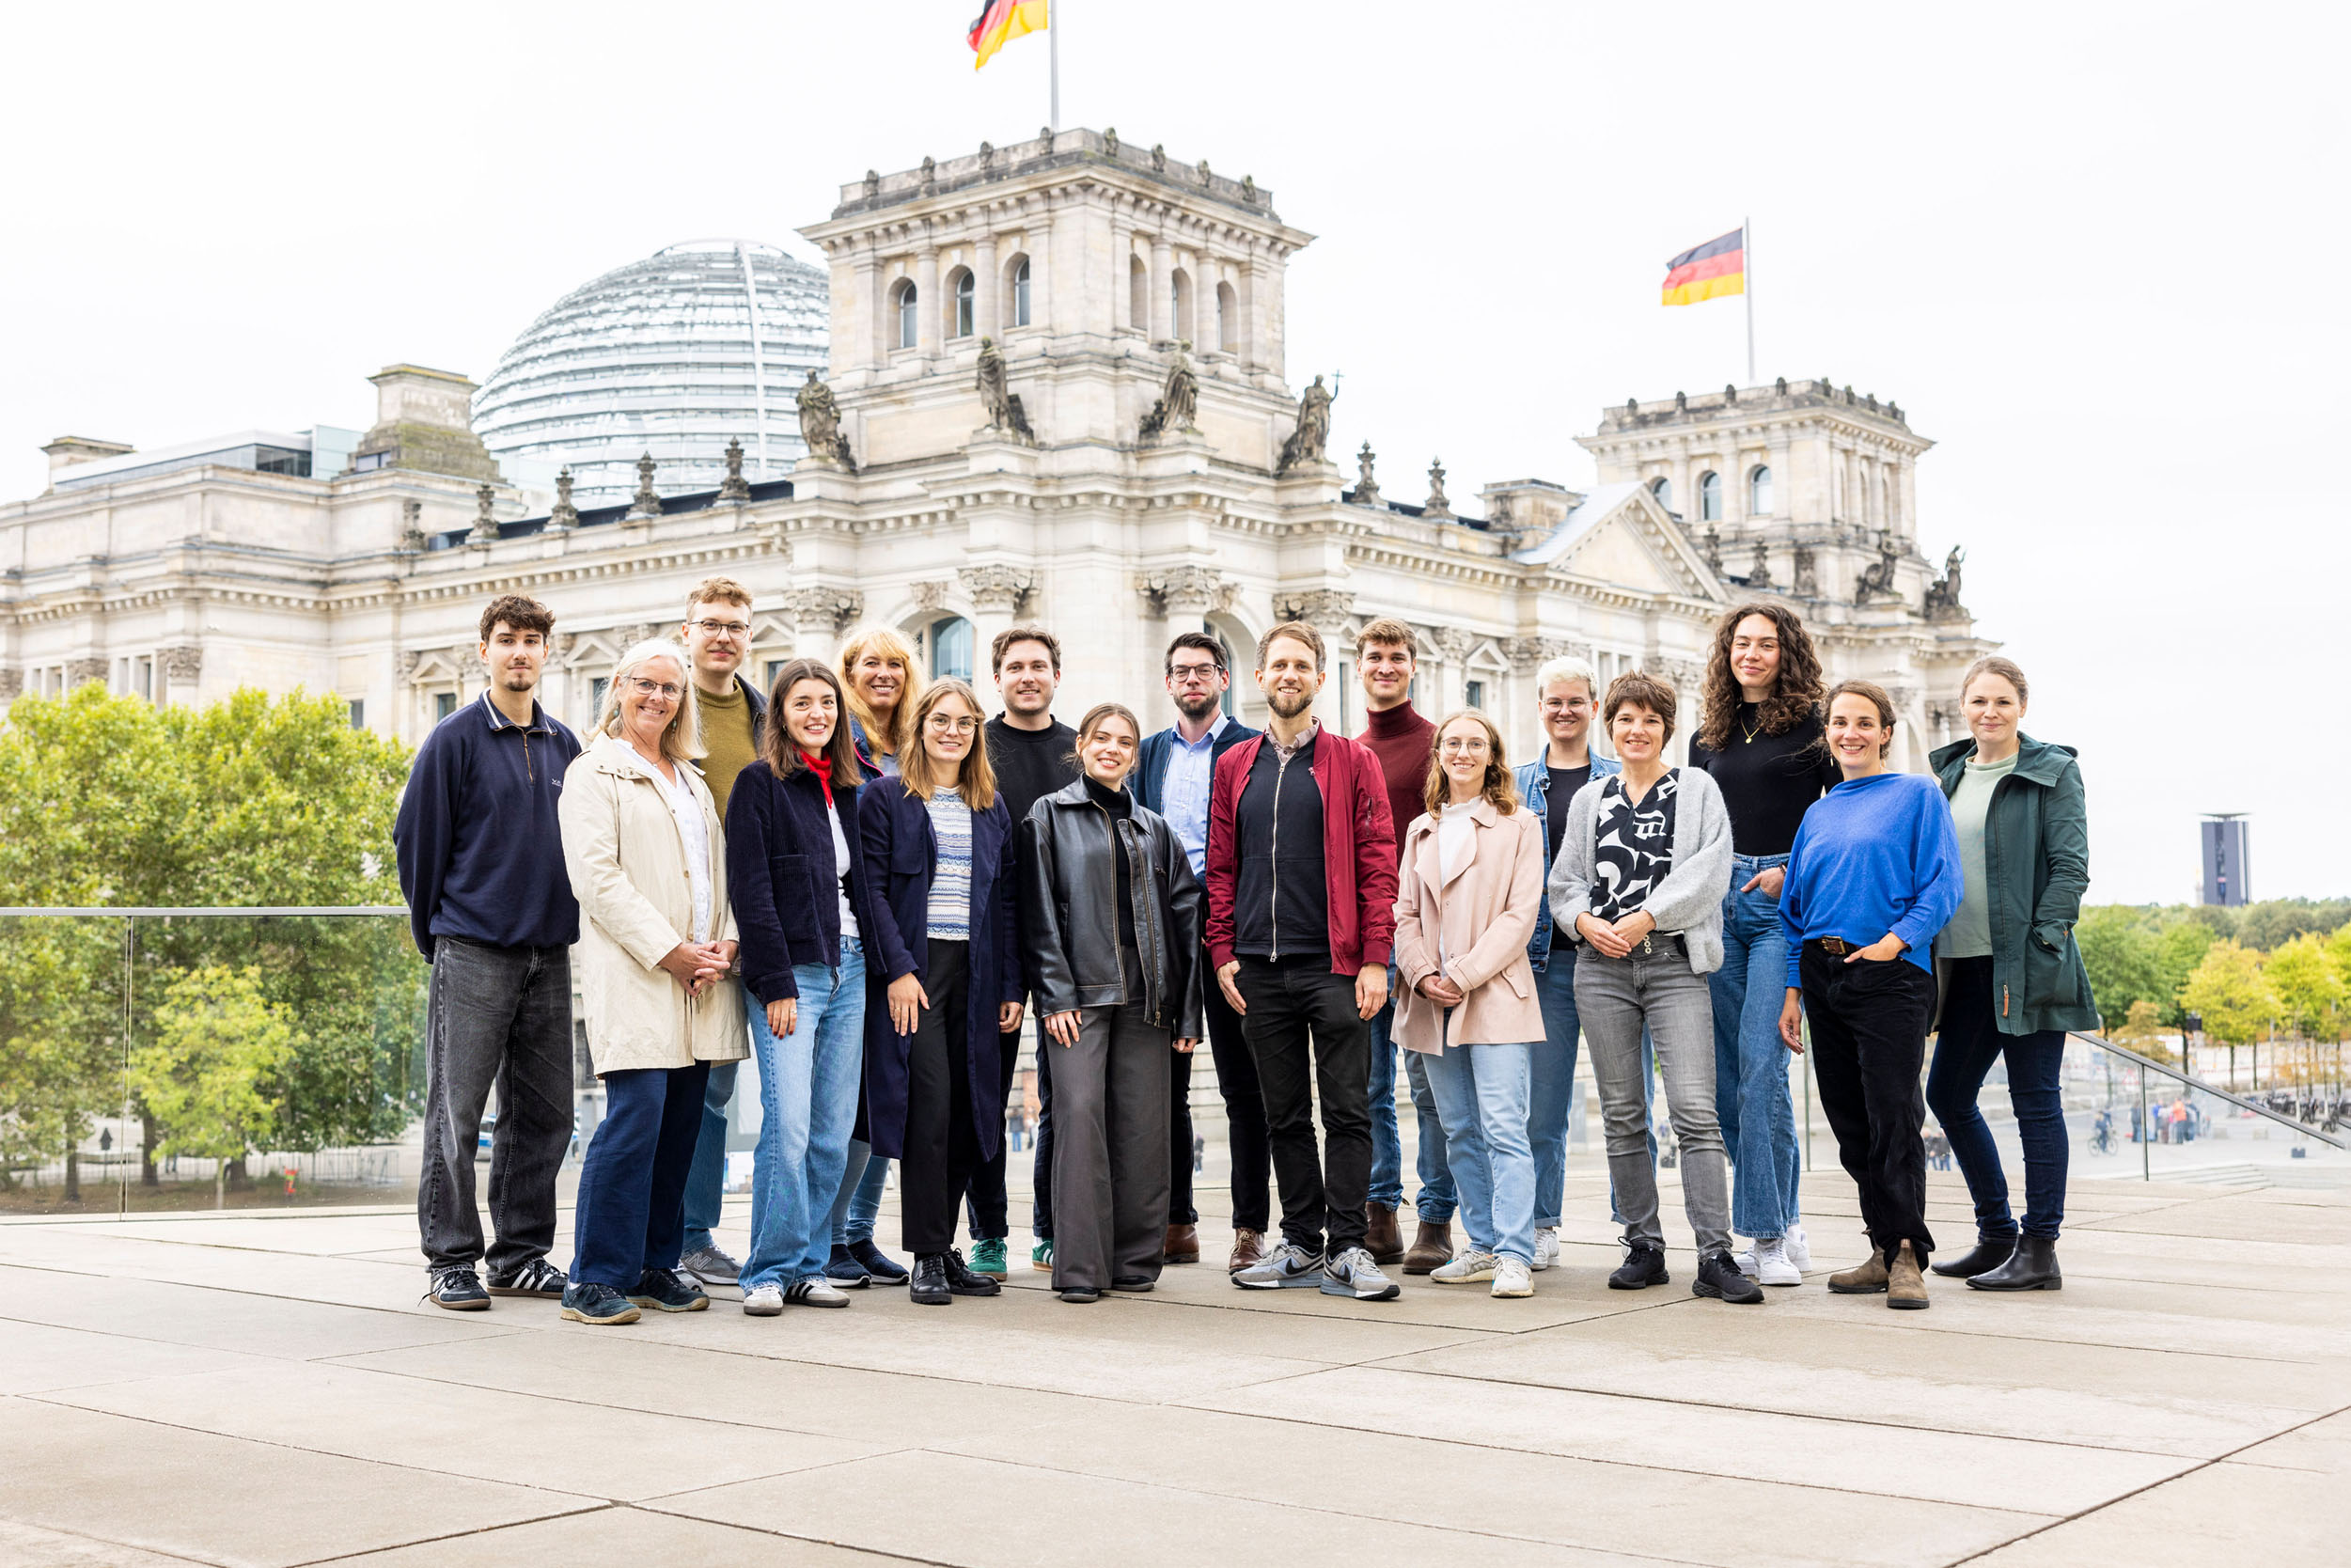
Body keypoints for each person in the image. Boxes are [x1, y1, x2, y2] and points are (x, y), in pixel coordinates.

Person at [395, 595, 583, 1310]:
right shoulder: (455, 738)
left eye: (532, 641)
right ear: (485, 650)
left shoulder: (566, 745)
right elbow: (417, 843)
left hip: (548, 953)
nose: (520, 653)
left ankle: (521, 1255)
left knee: (545, 1115)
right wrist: (436, 934)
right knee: (456, 1114)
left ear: (545, 653)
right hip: (472, 948)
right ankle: (450, 1261)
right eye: (507, 640)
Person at [1550, 671, 1760, 1305]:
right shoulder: (1591, 798)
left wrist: (1645, 916)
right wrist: (1584, 920)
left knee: (1694, 1112)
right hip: (1601, 969)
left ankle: (1714, 1254)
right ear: (1606, 727)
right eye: (1623, 720)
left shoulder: (1695, 789)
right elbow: (1563, 881)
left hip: (1673, 964)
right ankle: (1642, 1243)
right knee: (1621, 1115)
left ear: (1665, 727)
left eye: (1647, 719)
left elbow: (1708, 870)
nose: (1635, 730)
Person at [1208, 620, 1403, 1301]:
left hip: (1336, 965)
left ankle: (1349, 1247)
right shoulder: (1233, 766)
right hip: (1259, 969)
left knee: (1348, 1110)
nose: (1288, 675)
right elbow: (1221, 866)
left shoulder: (1353, 760)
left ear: (1320, 679)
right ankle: (1299, 1242)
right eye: (1277, 665)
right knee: (1282, 1114)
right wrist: (1222, 951)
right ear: (1259, 678)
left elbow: (1380, 865)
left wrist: (1376, 958)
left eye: (1301, 665)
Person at [556, 638, 747, 1325]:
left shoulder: (690, 778)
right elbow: (596, 879)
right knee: (635, 1122)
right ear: (619, 686)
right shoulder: (593, 772)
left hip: (702, 980)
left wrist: (724, 942)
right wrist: (670, 952)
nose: (657, 698)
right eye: (646, 684)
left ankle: (652, 1265)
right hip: (641, 975)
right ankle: (592, 1276)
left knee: (682, 1129)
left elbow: (720, 873)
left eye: (670, 689)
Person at [1777, 680, 1963, 1310]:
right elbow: (1793, 909)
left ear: (1885, 731)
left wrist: (1894, 940)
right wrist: (1792, 987)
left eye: (1862, 722)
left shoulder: (1916, 795)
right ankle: (1880, 1245)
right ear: (1826, 734)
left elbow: (1942, 884)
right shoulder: (1818, 811)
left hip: (1888, 973)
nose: (1849, 732)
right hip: (1822, 971)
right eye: (1838, 723)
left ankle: (1908, 1252)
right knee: (1847, 1119)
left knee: (1893, 1115)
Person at [1021, 703, 1206, 1302]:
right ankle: (1079, 1268)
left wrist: (1186, 1011)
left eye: (1125, 741)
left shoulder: (1155, 828)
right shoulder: (1048, 816)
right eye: (1102, 738)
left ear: (1133, 754)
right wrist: (1054, 994)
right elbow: (1039, 913)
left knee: (1144, 1132)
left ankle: (1132, 1263)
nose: (1113, 748)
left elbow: (1185, 924)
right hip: (1079, 998)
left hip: (1148, 1001)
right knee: (1078, 1120)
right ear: (1081, 745)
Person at [1924, 656, 2096, 1292]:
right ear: (1963, 706)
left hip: (2025, 965)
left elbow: (2069, 868)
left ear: (2020, 706)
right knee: (1945, 1096)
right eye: (1977, 702)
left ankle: (2039, 1248)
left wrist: (2041, 941)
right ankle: (1995, 1232)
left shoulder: (2052, 771)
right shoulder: (1945, 775)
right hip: (1960, 965)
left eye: (2000, 701)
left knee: (2034, 1105)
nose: (1988, 712)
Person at [1686, 603, 1840, 1287]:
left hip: (1780, 905)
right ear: (1726, 651)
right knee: (1726, 1085)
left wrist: (1794, 873)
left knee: (1760, 1070)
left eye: (1766, 644)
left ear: (1787, 652)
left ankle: (1768, 1240)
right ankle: (1791, 1221)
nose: (1751, 654)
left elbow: (1841, 817)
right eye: (1741, 643)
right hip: (1717, 906)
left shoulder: (1814, 726)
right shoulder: (1706, 737)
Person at [860, 679, 1025, 1306]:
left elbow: (1005, 901)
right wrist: (898, 971)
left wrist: (1010, 984)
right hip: (917, 973)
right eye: (941, 720)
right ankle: (926, 1252)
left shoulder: (990, 805)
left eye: (965, 722)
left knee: (968, 1111)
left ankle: (946, 1247)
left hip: (978, 974)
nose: (952, 731)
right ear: (921, 725)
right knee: (928, 1108)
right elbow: (871, 892)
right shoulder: (886, 799)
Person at [726, 658, 880, 1312]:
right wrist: (774, 979)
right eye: (802, 703)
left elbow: (865, 891)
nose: (817, 714)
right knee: (787, 1128)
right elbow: (751, 888)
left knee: (831, 1131)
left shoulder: (850, 789)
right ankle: (766, 1268)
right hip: (794, 977)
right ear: (780, 715)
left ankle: (809, 1264)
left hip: (852, 972)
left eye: (826, 703)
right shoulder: (758, 784)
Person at [1392, 711, 1547, 1300]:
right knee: (1458, 1128)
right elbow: (1404, 913)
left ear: (1492, 755)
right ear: (1439, 753)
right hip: (1431, 997)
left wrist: (1460, 972)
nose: (1462, 752)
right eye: (1452, 743)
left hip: (1494, 994)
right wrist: (1424, 973)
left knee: (1504, 1127)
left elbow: (1520, 915)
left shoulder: (1519, 824)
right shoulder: (1420, 828)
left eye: (1474, 744)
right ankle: (1481, 1245)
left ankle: (1514, 1252)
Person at [1134, 631, 1270, 1273]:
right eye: (1180, 672)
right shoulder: (1147, 755)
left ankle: (1249, 1228)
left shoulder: (1252, 747)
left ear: (1224, 678)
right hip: (1162, 935)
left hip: (1233, 933)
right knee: (1166, 1087)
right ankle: (1176, 1220)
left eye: (1203, 670)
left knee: (1246, 1089)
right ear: (1168, 683)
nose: (1192, 680)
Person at [1351, 619, 1457, 1274]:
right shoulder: (1351, 749)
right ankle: (1378, 1211)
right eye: (1374, 657)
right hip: (1366, 939)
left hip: (1423, 939)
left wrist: (1418, 944)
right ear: (1357, 666)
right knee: (1367, 1089)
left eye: (1396, 657)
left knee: (1427, 1089)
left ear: (1411, 666)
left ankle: (1436, 1218)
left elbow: (1447, 847)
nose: (1385, 666)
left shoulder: (1436, 746)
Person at [1512, 654, 1624, 1272]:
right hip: (1546, 964)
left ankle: (1637, 1227)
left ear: (1593, 708)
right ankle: (1540, 1223)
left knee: (1626, 1105)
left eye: (1575, 701)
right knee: (1543, 1109)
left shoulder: (1624, 777)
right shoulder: (1517, 784)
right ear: (1539, 707)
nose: (1563, 710)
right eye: (1553, 701)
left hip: (1617, 963)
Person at [823, 626, 927, 1287]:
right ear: (848, 673)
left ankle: (859, 1235)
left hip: (909, 930)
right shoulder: (843, 744)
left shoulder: (913, 745)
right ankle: (831, 1235)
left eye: (895, 664)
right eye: (869, 664)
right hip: (859, 928)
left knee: (889, 1093)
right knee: (851, 1096)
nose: (883, 674)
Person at [978, 625, 1080, 1277]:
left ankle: (1051, 1227)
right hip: (993, 940)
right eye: (1015, 667)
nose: (1027, 676)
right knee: (989, 1094)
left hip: (1068, 942)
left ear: (1055, 675)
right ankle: (988, 1233)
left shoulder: (1079, 749)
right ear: (998, 678)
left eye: (1038, 666)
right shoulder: (976, 748)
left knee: (1066, 1094)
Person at [675, 577, 767, 1291]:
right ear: (687, 633)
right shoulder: (655, 703)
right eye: (710, 623)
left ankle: (693, 1235)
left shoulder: (765, 717)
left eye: (735, 625)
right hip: (674, 926)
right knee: (667, 1089)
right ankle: (675, 1234)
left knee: (714, 1088)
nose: (723, 636)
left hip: (747, 926)